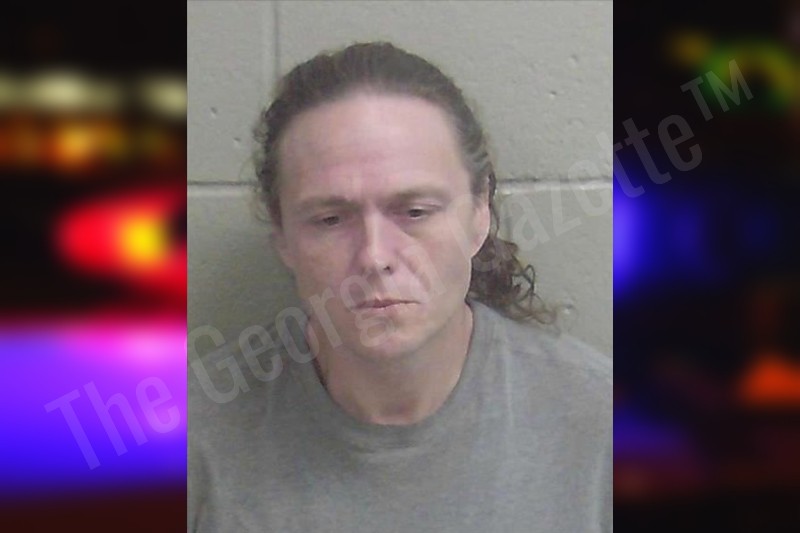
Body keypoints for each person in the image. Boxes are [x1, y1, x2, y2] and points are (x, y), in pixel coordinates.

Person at [188, 42, 611, 532]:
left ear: (480, 215)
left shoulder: (604, 426)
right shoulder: (190, 439)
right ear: (283, 238)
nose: (375, 256)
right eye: (330, 219)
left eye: (415, 211)